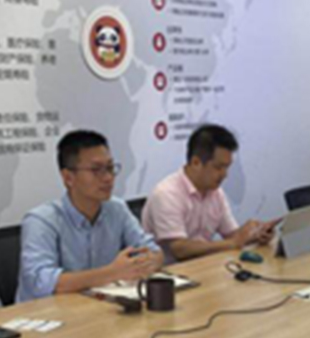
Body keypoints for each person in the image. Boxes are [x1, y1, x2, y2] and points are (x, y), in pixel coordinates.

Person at [16, 130, 162, 301]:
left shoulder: (117, 209)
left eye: (110, 168)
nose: (108, 178)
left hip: (99, 306)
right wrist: (112, 273)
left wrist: (146, 262)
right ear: (68, 177)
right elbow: (40, 282)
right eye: (96, 170)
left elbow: (154, 252)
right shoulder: (41, 221)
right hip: (46, 312)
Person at [142, 124, 277, 262]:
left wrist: (254, 235)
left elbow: (231, 235)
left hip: (203, 267)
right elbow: (179, 249)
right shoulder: (166, 194)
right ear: (196, 163)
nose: (225, 175)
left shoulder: (215, 192)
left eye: (227, 167)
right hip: (169, 271)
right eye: (218, 167)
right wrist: (233, 243)